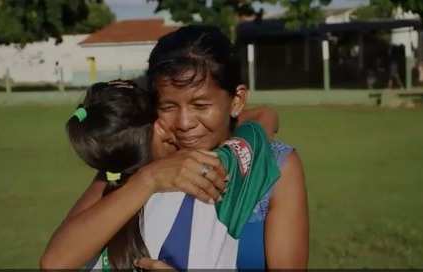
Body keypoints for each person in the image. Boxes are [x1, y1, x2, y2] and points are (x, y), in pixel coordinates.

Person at [41, 25, 308, 270]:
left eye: (201, 106)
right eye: (168, 106)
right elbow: (56, 262)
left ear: (237, 100)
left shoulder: (276, 165)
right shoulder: (137, 157)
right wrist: (150, 178)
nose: (184, 123)